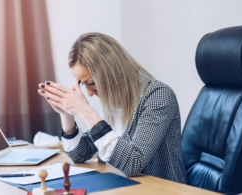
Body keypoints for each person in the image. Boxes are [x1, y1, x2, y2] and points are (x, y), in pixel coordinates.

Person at [38, 32, 187, 183]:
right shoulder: (114, 100)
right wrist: (66, 114)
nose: (89, 93)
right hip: (119, 186)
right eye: (83, 84)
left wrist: (86, 111)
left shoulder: (157, 96)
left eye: (91, 82)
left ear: (110, 72)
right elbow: (79, 155)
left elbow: (133, 164)